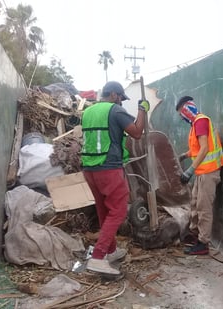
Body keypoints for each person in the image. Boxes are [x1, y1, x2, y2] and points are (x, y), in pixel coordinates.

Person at [81, 81, 150, 275]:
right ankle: (98, 256)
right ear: (113, 95)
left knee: (104, 210)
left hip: (90, 168)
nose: (120, 102)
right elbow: (136, 133)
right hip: (109, 168)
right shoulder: (115, 111)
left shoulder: (87, 112)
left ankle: (110, 251)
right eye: (120, 98)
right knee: (118, 211)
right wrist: (142, 110)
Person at [176, 96, 223, 255]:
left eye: (181, 114)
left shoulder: (200, 122)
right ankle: (194, 235)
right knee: (195, 204)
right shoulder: (196, 124)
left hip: (208, 172)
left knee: (204, 209)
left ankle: (203, 244)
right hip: (202, 172)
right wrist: (184, 155)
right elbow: (198, 149)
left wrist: (189, 171)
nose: (181, 117)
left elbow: (204, 149)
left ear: (186, 109)